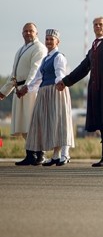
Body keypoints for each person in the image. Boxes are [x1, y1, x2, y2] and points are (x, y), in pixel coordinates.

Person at [58, 16, 103, 167]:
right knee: (102, 123)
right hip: (96, 90)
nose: (98, 27)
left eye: (101, 24)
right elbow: (83, 68)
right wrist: (66, 81)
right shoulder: (92, 49)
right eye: (96, 25)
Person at [19, 29, 74, 166]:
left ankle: (64, 154)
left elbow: (60, 73)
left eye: (51, 39)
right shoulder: (45, 59)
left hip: (55, 90)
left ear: (57, 42)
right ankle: (55, 155)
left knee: (59, 122)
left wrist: (59, 84)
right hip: (44, 92)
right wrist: (27, 88)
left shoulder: (59, 57)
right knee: (49, 123)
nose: (49, 42)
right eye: (47, 39)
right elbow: (38, 78)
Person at [0, 22, 47, 166]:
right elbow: (13, 75)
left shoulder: (39, 48)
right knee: (24, 124)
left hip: (30, 90)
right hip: (18, 89)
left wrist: (27, 87)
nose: (28, 33)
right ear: (22, 33)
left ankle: (40, 154)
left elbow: (35, 70)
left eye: (31, 31)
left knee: (33, 123)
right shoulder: (21, 50)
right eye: (25, 31)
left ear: (36, 33)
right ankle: (31, 154)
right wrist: (3, 92)